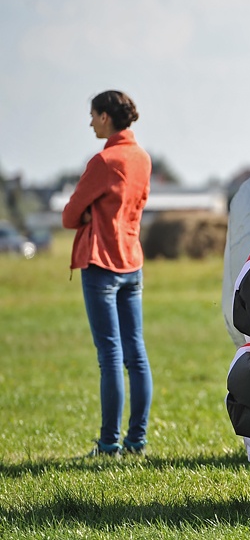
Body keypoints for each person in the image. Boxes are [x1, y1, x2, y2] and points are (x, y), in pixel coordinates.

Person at [62, 90, 153, 456]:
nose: (90, 122)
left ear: (104, 117)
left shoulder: (103, 160)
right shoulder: (143, 158)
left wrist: (88, 215)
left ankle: (109, 443)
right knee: (137, 354)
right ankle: (137, 440)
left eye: (92, 115)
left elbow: (69, 215)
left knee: (110, 356)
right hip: (133, 262)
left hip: (101, 263)